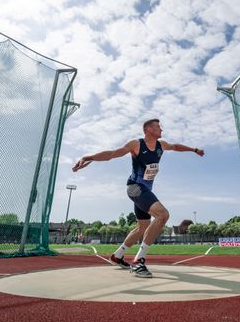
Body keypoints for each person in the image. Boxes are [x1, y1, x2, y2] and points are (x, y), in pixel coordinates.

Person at [72, 118, 204, 277]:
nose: (161, 129)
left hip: (144, 190)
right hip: (135, 188)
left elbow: (175, 147)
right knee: (163, 215)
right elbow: (112, 154)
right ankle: (138, 261)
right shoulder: (136, 145)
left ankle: (117, 255)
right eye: (157, 127)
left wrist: (194, 150)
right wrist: (89, 157)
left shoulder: (161, 145)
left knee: (143, 227)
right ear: (148, 129)